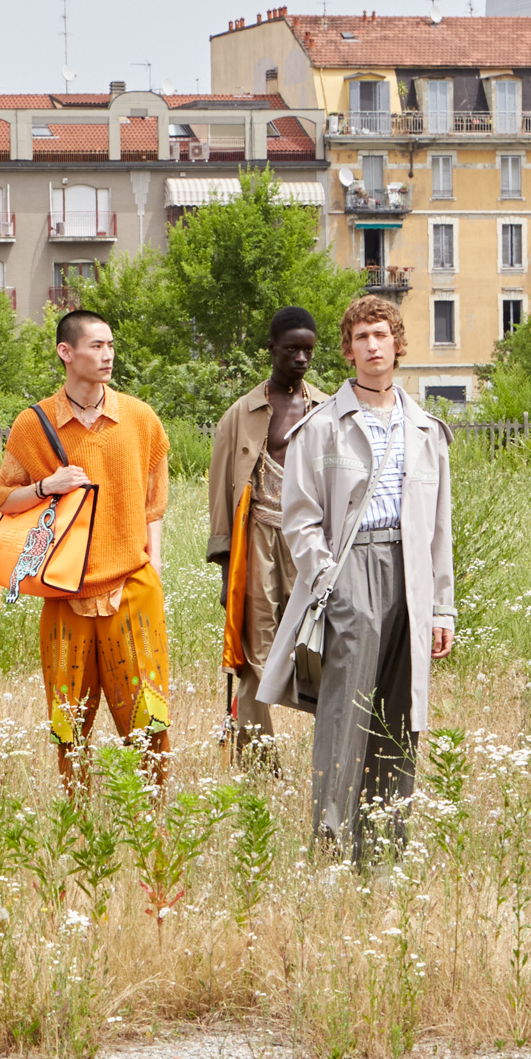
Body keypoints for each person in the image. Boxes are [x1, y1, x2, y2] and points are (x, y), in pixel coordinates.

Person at [254, 296, 456, 863]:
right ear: (347, 349)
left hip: (412, 573)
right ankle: (331, 850)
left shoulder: (426, 430)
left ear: (397, 343)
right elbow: (300, 518)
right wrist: (330, 584)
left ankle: (385, 851)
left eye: (381, 334)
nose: (372, 345)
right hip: (350, 572)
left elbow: (440, 528)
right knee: (345, 718)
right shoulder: (321, 427)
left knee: (400, 719)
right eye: (361, 336)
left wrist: (443, 608)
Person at [0, 309, 172, 791]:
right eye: (96, 345)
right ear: (66, 353)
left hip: (133, 586)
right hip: (64, 591)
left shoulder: (139, 418)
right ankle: (76, 819)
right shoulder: (33, 425)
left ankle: (149, 818)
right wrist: (45, 486)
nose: (107, 354)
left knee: (149, 713)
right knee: (69, 716)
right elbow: (2, 501)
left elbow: (154, 503)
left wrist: (152, 567)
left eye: (110, 345)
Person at [207, 306, 327, 762]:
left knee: (318, 641)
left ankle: (331, 750)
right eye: (291, 349)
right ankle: (259, 756)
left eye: (308, 351)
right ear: (272, 350)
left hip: (310, 542)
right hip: (256, 537)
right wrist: (225, 572)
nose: (300, 358)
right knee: (255, 646)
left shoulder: (327, 408)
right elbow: (221, 491)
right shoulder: (242, 413)